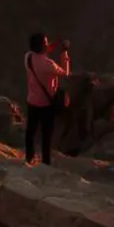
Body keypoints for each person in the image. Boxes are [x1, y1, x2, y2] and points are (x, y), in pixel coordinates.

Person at [23, 32, 71, 166]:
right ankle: (46, 162)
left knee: (30, 131)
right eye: (46, 43)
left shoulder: (28, 57)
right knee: (46, 135)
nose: (47, 45)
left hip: (32, 101)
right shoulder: (49, 64)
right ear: (42, 46)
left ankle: (29, 157)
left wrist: (52, 46)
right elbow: (65, 73)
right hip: (46, 104)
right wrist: (64, 52)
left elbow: (40, 53)